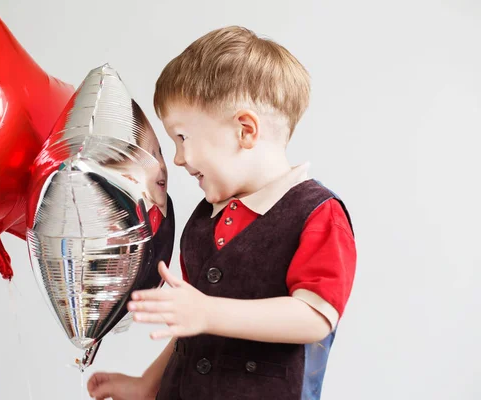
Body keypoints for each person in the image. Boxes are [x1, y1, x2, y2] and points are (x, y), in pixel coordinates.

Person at [87, 25, 356, 400]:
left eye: (182, 137)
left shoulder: (316, 213)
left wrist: (208, 312)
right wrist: (147, 386)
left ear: (245, 130)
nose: (178, 159)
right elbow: (193, 328)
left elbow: (314, 318)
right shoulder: (203, 221)